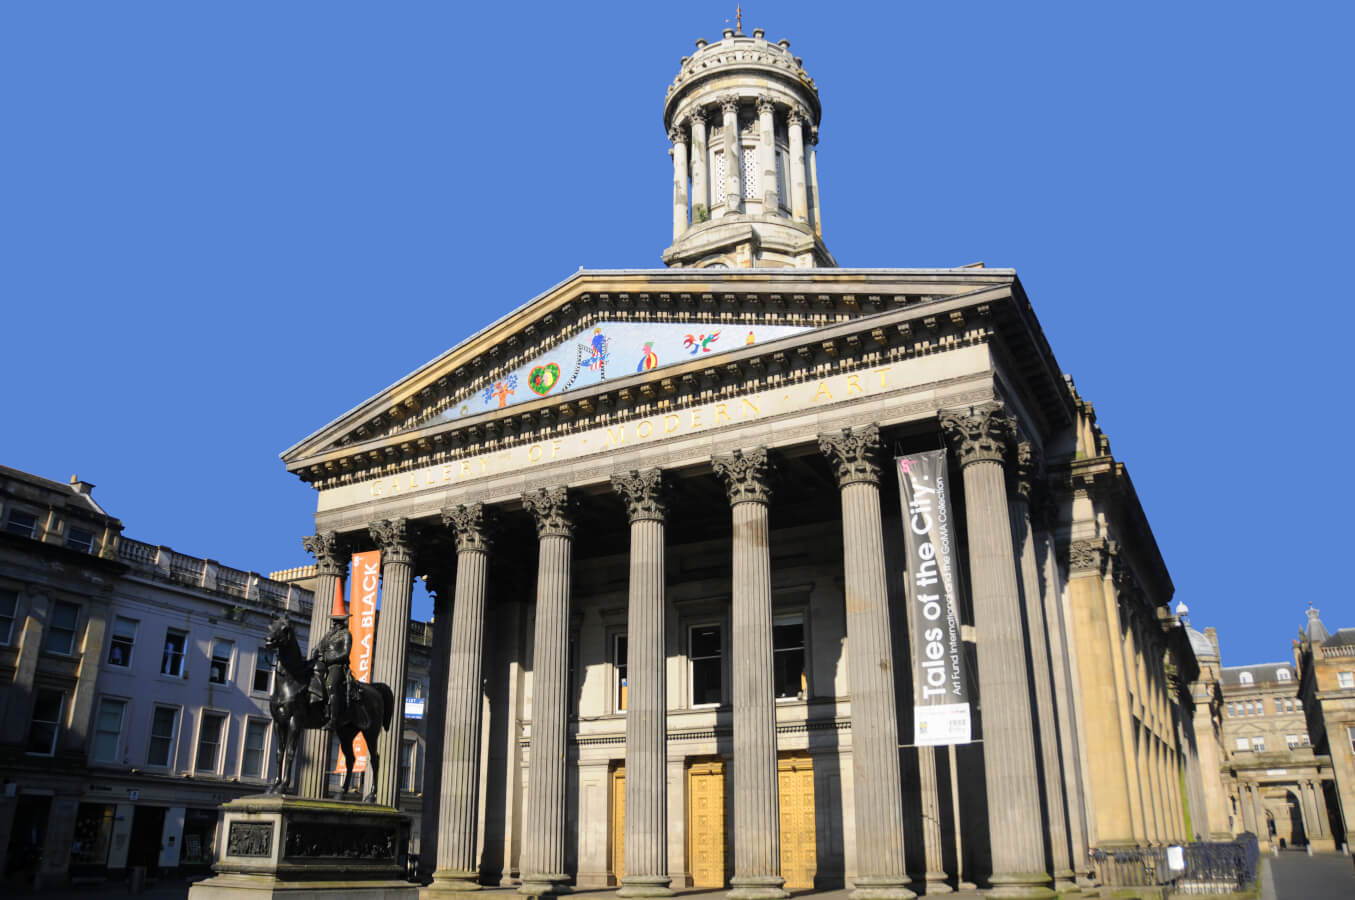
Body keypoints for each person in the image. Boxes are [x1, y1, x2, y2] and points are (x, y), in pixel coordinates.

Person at [308, 613, 352, 729]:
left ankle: (333, 719)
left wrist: (328, 659)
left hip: (336, 666)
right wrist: (314, 653)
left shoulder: (346, 634)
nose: (334, 623)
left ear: (342, 622)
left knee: (331, 685)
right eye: (333, 620)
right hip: (323, 664)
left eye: (336, 621)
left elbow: (345, 654)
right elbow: (318, 647)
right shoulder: (328, 634)